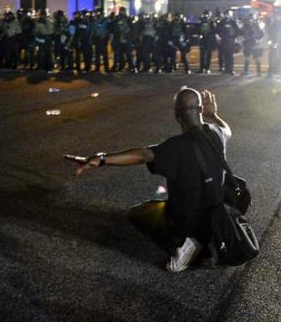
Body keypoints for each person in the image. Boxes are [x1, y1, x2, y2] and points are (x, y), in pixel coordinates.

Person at [67, 88, 232, 272]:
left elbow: (141, 155)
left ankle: (187, 242)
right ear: (201, 110)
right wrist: (214, 115)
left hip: (187, 219)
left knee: (139, 213)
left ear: (177, 115)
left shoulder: (175, 147)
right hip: (216, 212)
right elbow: (227, 130)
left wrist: (102, 158)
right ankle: (211, 237)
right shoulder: (217, 133)